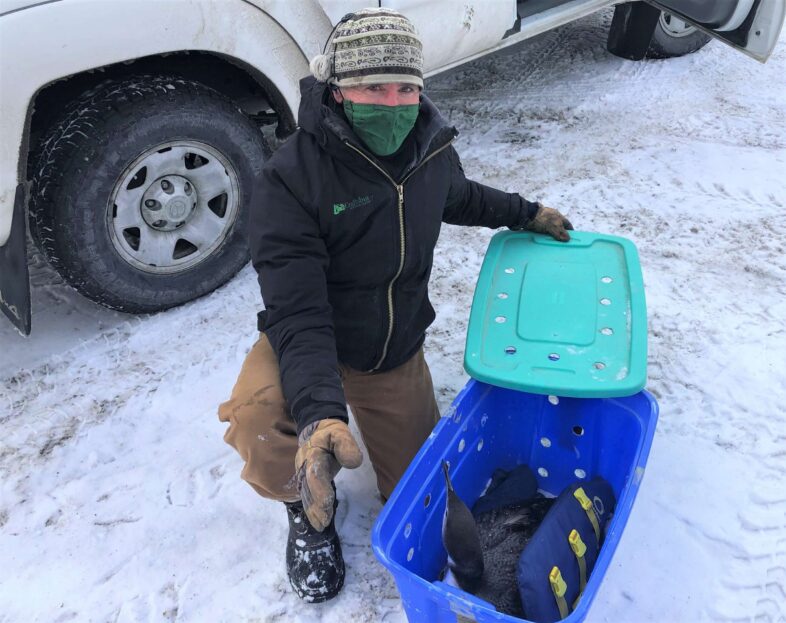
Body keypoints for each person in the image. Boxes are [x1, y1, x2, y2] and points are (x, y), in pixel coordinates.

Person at [218, 7, 573, 604]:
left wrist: (524, 212)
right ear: (337, 89)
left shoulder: (429, 152)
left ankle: (359, 443)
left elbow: (459, 196)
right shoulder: (290, 179)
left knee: (422, 492)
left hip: (392, 349)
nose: (392, 102)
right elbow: (297, 310)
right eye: (372, 86)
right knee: (258, 425)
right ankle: (307, 508)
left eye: (406, 87)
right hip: (314, 338)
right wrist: (318, 414)